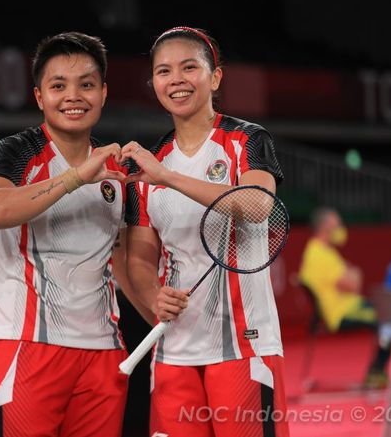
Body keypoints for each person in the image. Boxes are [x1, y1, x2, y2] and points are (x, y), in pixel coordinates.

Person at [122, 26, 289, 437]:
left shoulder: (246, 139)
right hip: (173, 351)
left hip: (243, 346)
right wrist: (151, 295)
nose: (175, 79)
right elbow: (140, 257)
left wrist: (170, 177)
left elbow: (257, 205)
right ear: (153, 84)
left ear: (215, 77)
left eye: (188, 67)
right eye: (163, 71)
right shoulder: (148, 163)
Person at [0, 31, 135, 437]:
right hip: (25, 347)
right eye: (58, 85)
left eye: (86, 84)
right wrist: (77, 177)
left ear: (103, 92)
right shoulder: (16, 151)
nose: (73, 96)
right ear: (39, 96)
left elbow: (128, 265)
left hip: (102, 354)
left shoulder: (118, 173)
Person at [299, 207, 390, 387]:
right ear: (325, 227)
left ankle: (378, 371)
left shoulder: (322, 251)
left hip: (350, 306)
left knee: (389, 313)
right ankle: (376, 372)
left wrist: (353, 274)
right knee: (390, 321)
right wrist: (354, 272)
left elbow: (351, 282)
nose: (341, 229)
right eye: (337, 225)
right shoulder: (319, 255)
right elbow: (353, 285)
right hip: (340, 314)